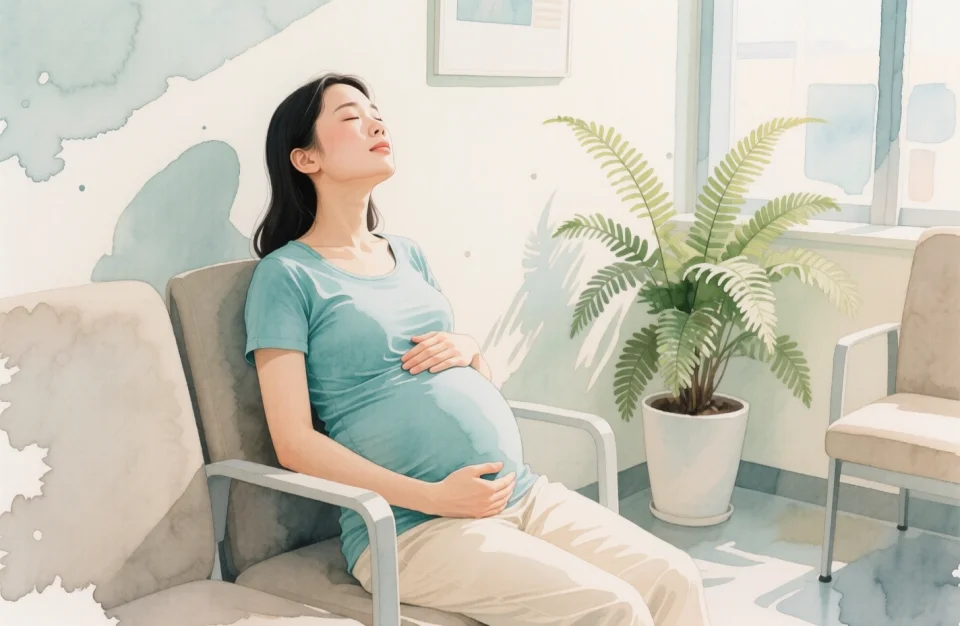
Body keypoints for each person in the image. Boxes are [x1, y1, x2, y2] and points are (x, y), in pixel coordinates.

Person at [243, 72, 713, 626]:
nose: (376, 122)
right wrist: (433, 498)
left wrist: (469, 347)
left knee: (675, 576)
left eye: (376, 111)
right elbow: (294, 442)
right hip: (413, 528)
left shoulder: (407, 254)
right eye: (350, 116)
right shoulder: (287, 276)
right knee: (613, 609)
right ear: (305, 159)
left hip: (522, 492)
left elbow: (469, 374)